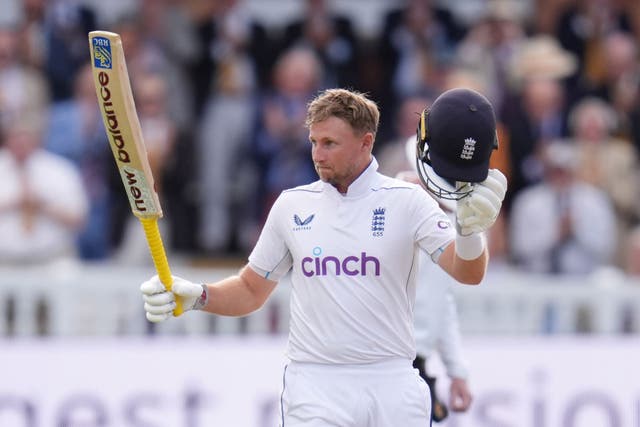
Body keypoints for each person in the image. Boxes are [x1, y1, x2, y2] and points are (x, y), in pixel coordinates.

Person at [140, 88, 506, 426]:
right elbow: (251, 290)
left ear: (366, 143)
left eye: (330, 143)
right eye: (314, 142)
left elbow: (467, 272)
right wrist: (198, 296)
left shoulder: (408, 201)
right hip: (316, 383)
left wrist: (469, 230)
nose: (317, 153)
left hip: (393, 380)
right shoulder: (292, 205)